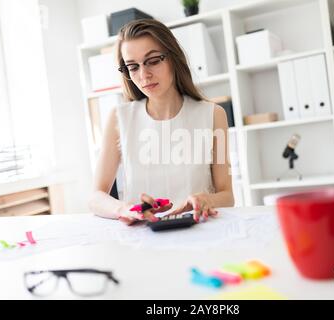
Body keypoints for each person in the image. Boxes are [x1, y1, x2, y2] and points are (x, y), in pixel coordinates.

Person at [88, 19, 234, 225]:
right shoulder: (119, 118)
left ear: (173, 58)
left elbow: (227, 196)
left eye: (153, 60)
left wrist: (206, 199)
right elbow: (95, 197)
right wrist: (124, 209)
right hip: (143, 235)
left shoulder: (213, 115)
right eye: (132, 66)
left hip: (198, 230)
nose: (144, 75)